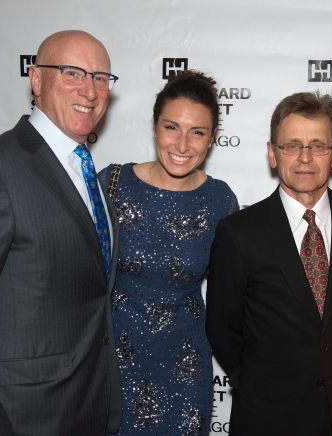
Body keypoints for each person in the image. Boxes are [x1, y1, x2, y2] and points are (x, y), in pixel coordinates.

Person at [0, 30, 122, 436]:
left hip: (86, 409)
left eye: (100, 78)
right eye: (72, 72)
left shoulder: (88, 174)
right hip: (19, 418)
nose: (90, 90)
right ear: (36, 79)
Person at [206, 91, 332, 435]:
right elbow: (222, 329)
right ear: (272, 154)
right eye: (291, 146)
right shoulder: (239, 232)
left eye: (318, 145)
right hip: (266, 415)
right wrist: (262, 382)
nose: (305, 157)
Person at [98, 70, 238, 435]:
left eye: (198, 132)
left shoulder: (220, 200)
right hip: (113, 362)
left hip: (185, 365)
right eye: (171, 127)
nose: (182, 145)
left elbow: (233, 298)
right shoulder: (111, 184)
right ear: (155, 126)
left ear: (211, 139)